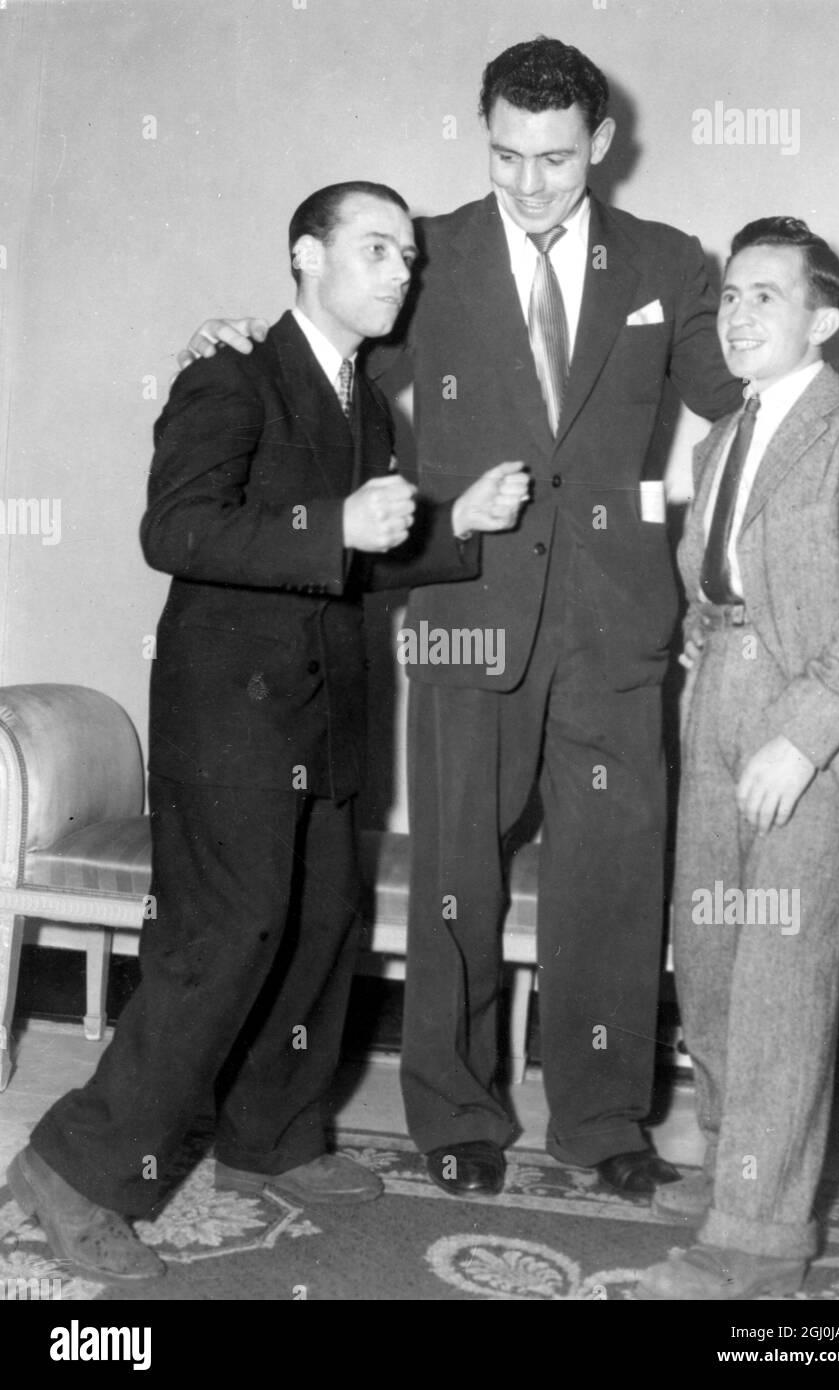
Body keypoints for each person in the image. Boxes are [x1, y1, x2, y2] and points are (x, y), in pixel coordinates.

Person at [178, 38, 839, 1202]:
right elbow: (337, 351)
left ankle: (602, 1115)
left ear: (600, 146)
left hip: (617, 628)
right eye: (506, 155)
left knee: (613, 879)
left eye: (554, 159)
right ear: (486, 139)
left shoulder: (666, 261)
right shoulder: (434, 254)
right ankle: (454, 1113)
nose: (527, 182)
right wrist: (241, 347)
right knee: (456, 873)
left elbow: (745, 388)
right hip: (467, 611)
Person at [6, 181, 529, 1282]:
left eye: (408, 256)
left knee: (317, 926)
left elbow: (361, 553)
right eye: (376, 249)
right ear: (306, 255)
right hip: (228, 719)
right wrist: (329, 520)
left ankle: (270, 1140)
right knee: (224, 942)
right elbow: (176, 527)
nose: (401, 271)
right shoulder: (228, 373)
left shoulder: (365, 404)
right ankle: (75, 1168)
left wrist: (455, 529)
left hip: (327, 712)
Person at [636, 217, 839, 1300]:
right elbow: (724, 583)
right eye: (728, 297)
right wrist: (705, 638)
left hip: (817, 738)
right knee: (706, 966)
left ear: (822, 320)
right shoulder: (719, 438)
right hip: (718, 712)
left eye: (763, 296)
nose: (736, 315)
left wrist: (797, 737)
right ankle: (730, 1167)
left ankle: (754, 1248)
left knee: (781, 984)